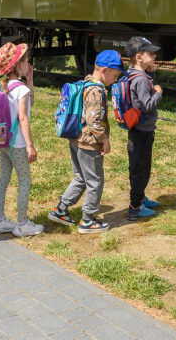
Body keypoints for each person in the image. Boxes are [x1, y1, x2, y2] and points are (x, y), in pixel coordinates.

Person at [48, 50, 122, 234]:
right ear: (105, 70)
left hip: (76, 139)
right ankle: (88, 220)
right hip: (90, 143)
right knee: (95, 181)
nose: (115, 79)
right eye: (115, 75)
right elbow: (93, 121)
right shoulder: (96, 90)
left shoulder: (86, 82)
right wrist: (104, 140)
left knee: (80, 177)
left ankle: (60, 210)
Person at [0, 43, 43, 237]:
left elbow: (30, 104)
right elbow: (23, 117)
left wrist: (30, 81)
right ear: (19, 64)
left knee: (3, 178)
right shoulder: (21, 90)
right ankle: (22, 223)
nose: (28, 63)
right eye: (26, 60)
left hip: (5, 142)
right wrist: (30, 145)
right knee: (25, 180)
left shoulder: (8, 87)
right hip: (19, 143)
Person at [123, 37, 164, 221]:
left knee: (140, 166)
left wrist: (151, 73)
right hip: (142, 131)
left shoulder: (134, 74)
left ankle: (140, 197)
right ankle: (135, 207)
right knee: (140, 168)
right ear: (139, 56)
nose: (155, 56)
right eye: (151, 53)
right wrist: (158, 94)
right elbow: (147, 104)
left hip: (139, 129)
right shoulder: (140, 79)